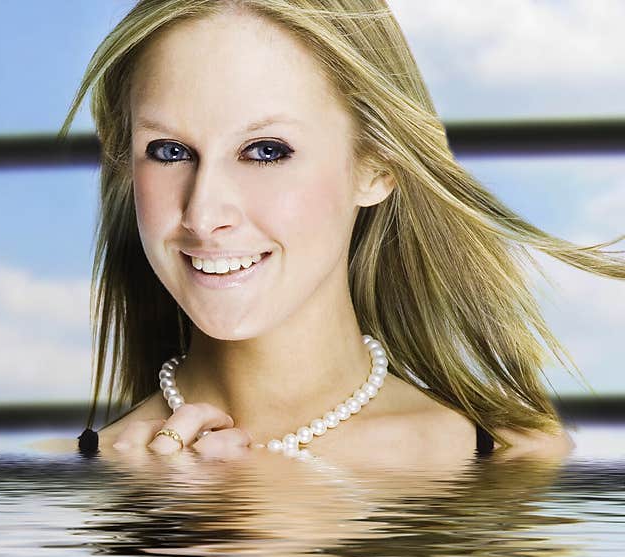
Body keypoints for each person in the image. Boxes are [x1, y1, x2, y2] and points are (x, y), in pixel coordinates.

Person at [56, 0, 624, 463]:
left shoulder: (511, 457)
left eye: (266, 151)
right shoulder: (91, 475)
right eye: (170, 151)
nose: (203, 213)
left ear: (376, 166)